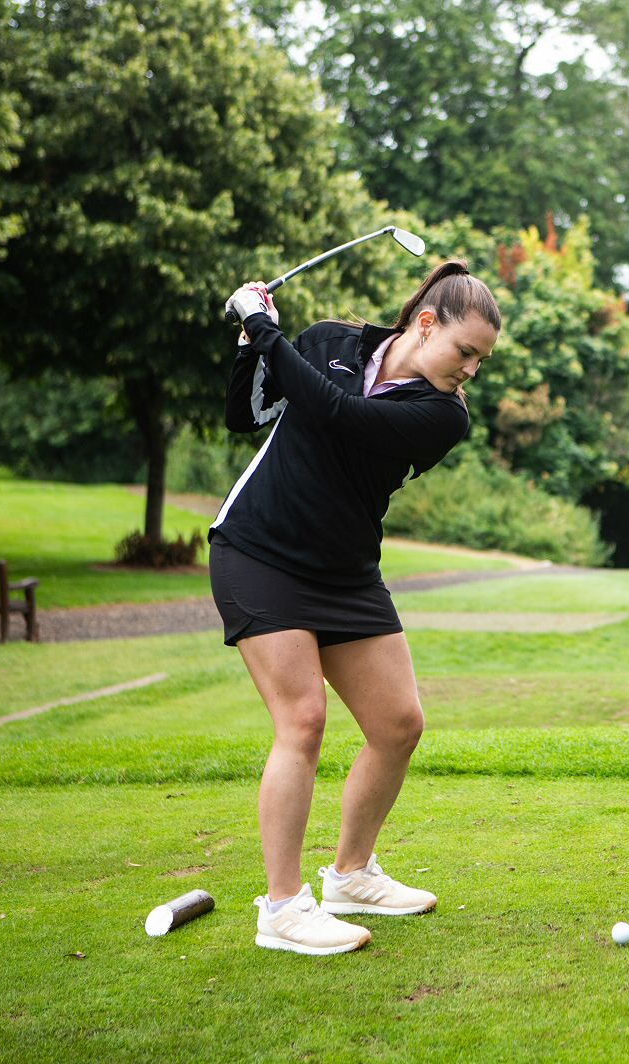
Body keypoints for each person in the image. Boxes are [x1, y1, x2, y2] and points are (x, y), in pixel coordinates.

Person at [215, 262, 500, 955]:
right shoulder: (328, 342)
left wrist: (263, 325)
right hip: (261, 551)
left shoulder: (442, 414)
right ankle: (282, 908)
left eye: (481, 362)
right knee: (303, 719)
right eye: (466, 352)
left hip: (344, 572)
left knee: (398, 723)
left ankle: (349, 874)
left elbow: (340, 415)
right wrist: (255, 345)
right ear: (425, 322)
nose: (470, 371)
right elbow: (246, 413)